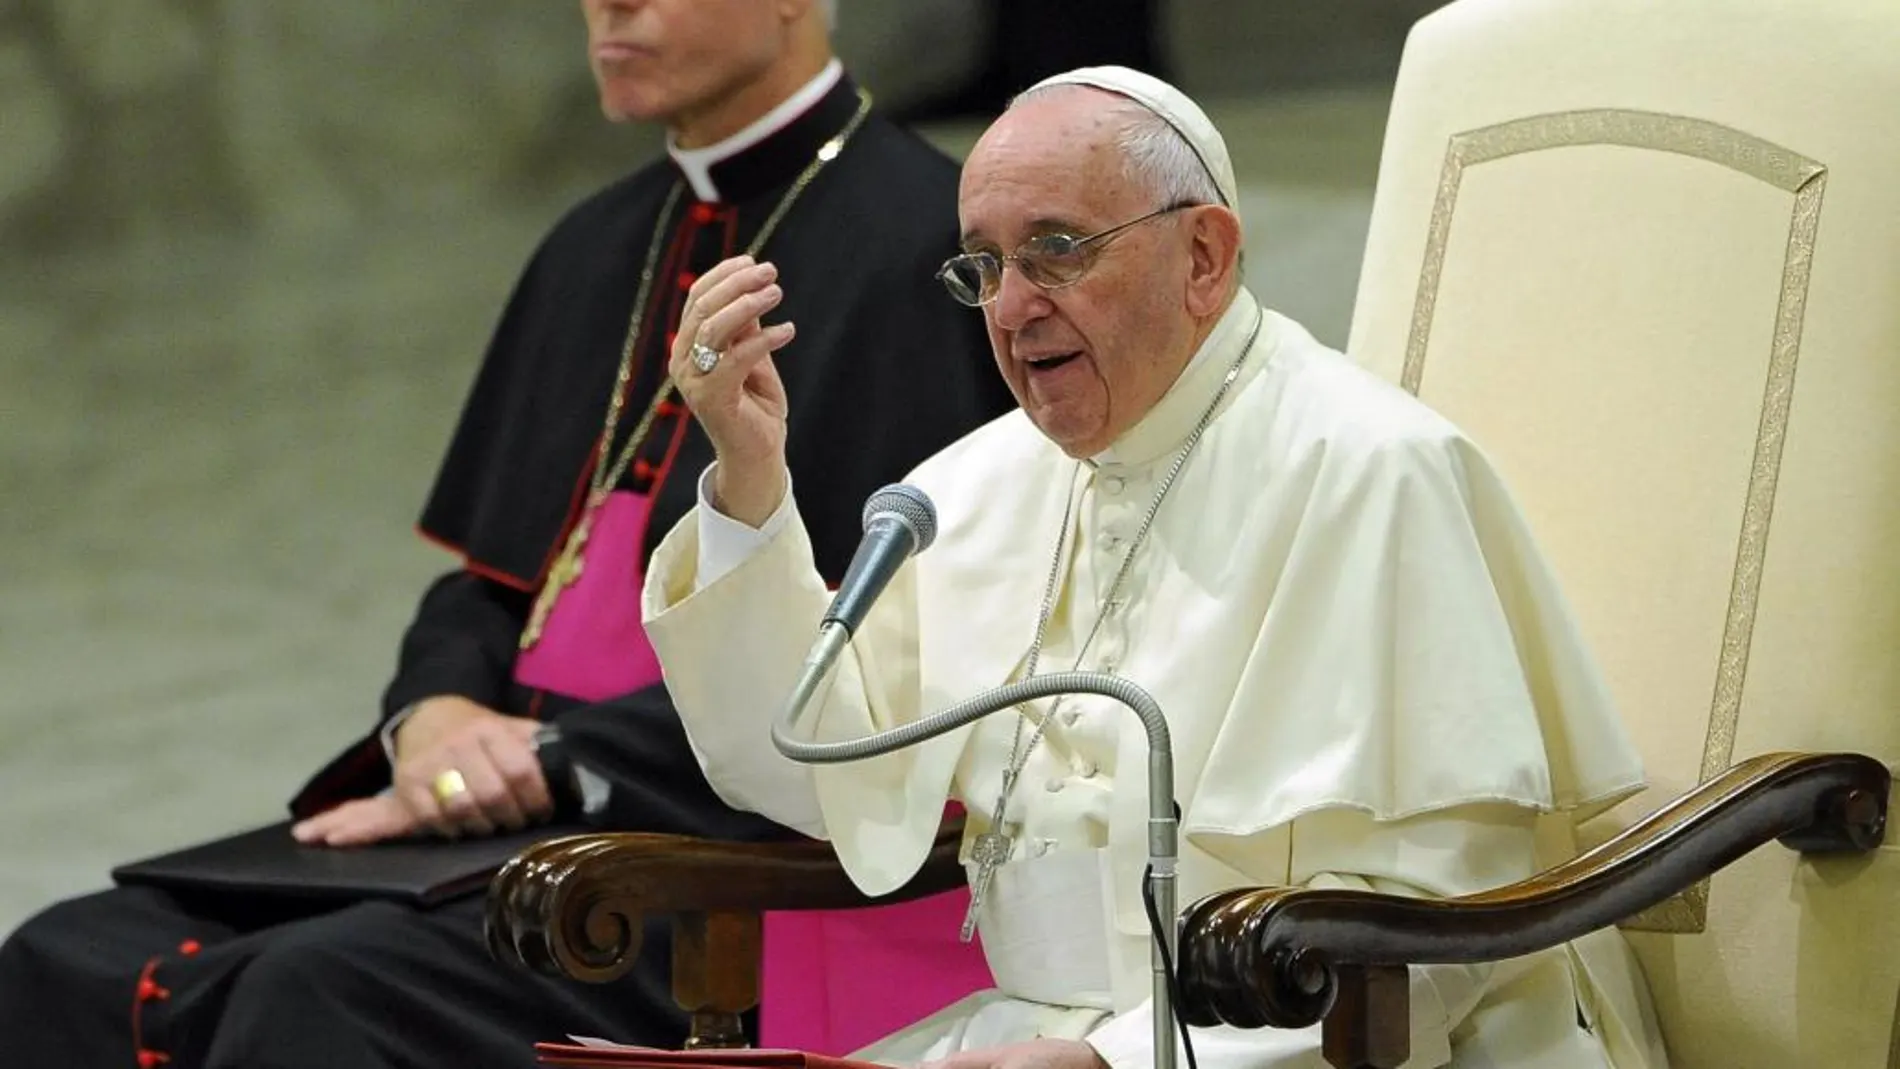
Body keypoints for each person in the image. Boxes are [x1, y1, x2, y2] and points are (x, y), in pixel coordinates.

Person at [0, 1, 1013, 1066]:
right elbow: (490, 582)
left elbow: (900, 664)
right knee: (67, 954)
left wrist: (553, 762)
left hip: (731, 863)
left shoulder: (933, 254)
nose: (609, 7)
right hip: (503, 831)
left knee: (315, 994)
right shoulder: (593, 246)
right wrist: (431, 718)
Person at [643, 66, 1672, 1068]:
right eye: (985, 267)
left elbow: (1437, 923)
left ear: (1203, 257)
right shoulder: (967, 490)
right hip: (1038, 1033)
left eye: (1055, 250)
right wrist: (748, 477)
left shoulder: (1371, 470)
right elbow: (806, 765)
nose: (1009, 309)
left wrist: (1111, 1057)